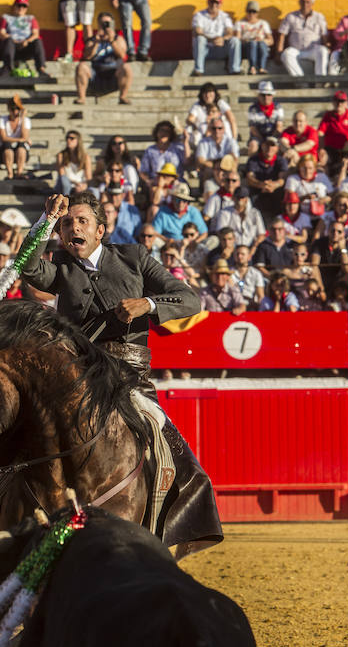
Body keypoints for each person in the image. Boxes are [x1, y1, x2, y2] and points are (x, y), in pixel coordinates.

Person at [19, 190, 222, 545]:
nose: (72, 228)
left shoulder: (133, 257)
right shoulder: (61, 266)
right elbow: (28, 265)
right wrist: (47, 219)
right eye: (67, 224)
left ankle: (165, 528)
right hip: (77, 376)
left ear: (101, 230)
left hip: (129, 378)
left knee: (166, 442)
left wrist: (147, 304)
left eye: (81, 221)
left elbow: (190, 299)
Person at [74, 11, 132, 105]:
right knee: (81, 66)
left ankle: (123, 96)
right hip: (96, 75)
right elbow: (87, 56)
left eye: (107, 23)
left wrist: (112, 40)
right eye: (102, 23)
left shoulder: (118, 39)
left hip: (114, 75)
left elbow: (122, 55)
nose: (105, 26)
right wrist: (96, 42)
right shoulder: (93, 40)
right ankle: (81, 98)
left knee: (127, 68)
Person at [276, 0, 329, 77]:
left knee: (323, 51)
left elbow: (324, 35)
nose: (305, 5)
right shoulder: (291, 16)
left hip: (313, 50)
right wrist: (278, 53)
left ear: (312, 3)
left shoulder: (319, 17)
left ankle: (320, 81)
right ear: (299, 3)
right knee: (286, 54)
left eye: (307, 2)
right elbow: (282, 34)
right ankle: (301, 81)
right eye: (303, 2)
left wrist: (327, 47)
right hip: (296, 50)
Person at [0, 0, 49, 78]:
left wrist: (27, 41)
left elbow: (36, 34)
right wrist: (13, 40)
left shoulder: (31, 18)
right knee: (9, 41)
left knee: (38, 41)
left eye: (24, 6)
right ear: (14, 6)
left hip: (26, 45)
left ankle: (41, 69)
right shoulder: (6, 17)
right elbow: (1, 33)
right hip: (11, 45)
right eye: (19, 6)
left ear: (26, 8)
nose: (21, 8)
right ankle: (7, 69)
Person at [190, 0, 241, 76]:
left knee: (235, 40)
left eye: (217, 2)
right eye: (212, 2)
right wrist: (211, 40)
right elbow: (197, 31)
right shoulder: (199, 15)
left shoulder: (225, 16)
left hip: (220, 48)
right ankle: (199, 70)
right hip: (205, 49)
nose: (214, 5)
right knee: (200, 39)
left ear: (220, 4)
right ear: (208, 2)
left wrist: (222, 39)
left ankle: (235, 70)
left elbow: (230, 32)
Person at [317, 91, 348, 172]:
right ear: (333, 102)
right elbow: (320, 132)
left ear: (346, 103)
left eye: (342, 101)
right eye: (337, 101)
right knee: (323, 158)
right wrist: (321, 148)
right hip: (331, 149)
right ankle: (326, 179)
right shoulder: (328, 116)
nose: (339, 104)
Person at [214, 186, 266, 254]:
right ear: (233, 198)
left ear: (246, 199)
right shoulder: (224, 213)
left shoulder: (255, 213)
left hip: (251, 249)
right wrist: (231, 248)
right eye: (238, 197)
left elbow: (261, 235)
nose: (240, 200)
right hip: (232, 249)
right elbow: (221, 233)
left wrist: (254, 248)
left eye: (242, 197)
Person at [186, 82, 237, 148]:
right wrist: (194, 125)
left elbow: (232, 120)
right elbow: (190, 119)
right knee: (191, 130)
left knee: (225, 124)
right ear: (201, 95)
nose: (207, 95)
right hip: (203, 134)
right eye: (205, 93)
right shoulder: (197, 105)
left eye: (210, 92)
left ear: (215, 93)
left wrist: (234, 140)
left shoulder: (220, 103)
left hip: (221, 134)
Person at [246, 135, 287, 216]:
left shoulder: (281, 160)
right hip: (258, 188)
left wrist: (274, 185)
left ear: (277, 148)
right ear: (262, 146)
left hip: (275, 189)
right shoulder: (253, 159)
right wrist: (262, 185)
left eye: (272, 145)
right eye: (267, 145)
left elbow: (282, 178)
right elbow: (250, 177)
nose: (269, 148)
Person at [310, 220, 348, 300]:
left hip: (337, 281)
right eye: (333, 230)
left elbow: (346, 269)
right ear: (328, 231)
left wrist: (342, 249)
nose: (335, 233)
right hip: (321, 278)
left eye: (339, 232)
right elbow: (314, 265)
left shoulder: (346, 246)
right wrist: (321, 289)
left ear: (343, 234)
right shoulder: (319, 243)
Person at [0, 94, 31, 180]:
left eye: (18, 109)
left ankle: (19, 172)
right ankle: (10, 174)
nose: (15, 112)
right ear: (9, 109)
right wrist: (20, 140)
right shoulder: (2, 119)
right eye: (13, 109)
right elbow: (3, 138)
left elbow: (25, 136)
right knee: (8, 147)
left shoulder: (25, 121)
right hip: (3, 152)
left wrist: (22, 119)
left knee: (21, 148)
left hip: (19, 152)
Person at [234, 0, 273, 74]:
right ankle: (252, 67)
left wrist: (261, 40)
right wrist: (247, 40)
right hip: (246, 47)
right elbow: (237, 38)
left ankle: (262, 67)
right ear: (246, 11)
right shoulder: (240, 23)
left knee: (261, 44)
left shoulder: (263, 23)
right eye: (249, 11)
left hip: (260, 46)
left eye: (254, 12)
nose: (251, 14)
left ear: (257, 13)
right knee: (252, 43)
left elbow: (271, 40)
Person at [247, 80, 284, 155]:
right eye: (263, 95)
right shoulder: (253, 109)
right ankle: (251, 164)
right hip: (257, 137)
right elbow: (253, 129)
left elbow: (279, 127)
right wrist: (263, 140)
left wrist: (271, 139)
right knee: (253, 145)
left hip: (274, 136)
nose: (266, 97)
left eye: (269, 95)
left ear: (272, 96)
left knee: (283, 144)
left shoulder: (278, 108)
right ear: (259, 96)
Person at [55, 130, 92, 195]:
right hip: (67, 184)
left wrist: (84, 186)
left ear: (78, 141)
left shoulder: (85, 157)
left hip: (81, 185)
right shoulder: (61, 155)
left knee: (95, 191)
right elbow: (62, 174)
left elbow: (89, 178)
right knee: (64, 180)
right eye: (67, 138)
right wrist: (76, 183)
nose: (68, 140)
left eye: (71, 138)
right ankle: (65, 202)